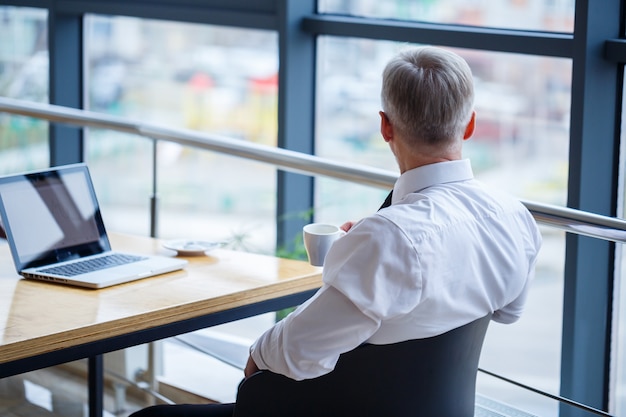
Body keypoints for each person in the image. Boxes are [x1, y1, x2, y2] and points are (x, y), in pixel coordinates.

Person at [130, 46, 542, 417]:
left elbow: (291, 356)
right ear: (469, 125)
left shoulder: (386, 240)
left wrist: (366, 255)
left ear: (386, 127)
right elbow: (508, 310)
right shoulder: (513, 216)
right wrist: (368, 253)